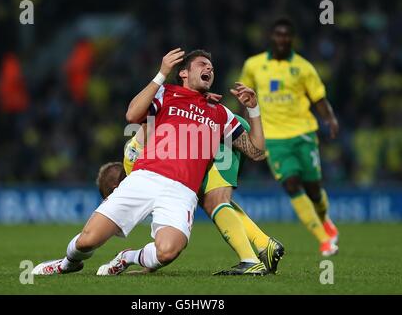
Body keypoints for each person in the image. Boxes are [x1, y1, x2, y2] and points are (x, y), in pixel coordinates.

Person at [32, 48, 267, 276]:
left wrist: (253, 109)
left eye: (211, 67)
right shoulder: (166, 94)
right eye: (202, 64)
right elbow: (132, 115)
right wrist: (161, 73)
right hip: (145, 178)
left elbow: (256, 152)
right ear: (183, 72)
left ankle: (127, 257)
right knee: (87, 241)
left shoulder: (220, 112)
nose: (209, 68)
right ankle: (66, 264)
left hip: (182, 191)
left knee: (167, 252)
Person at [119, 113, 285, 276]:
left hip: (217, 131)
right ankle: (265, 244)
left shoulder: (135, 168)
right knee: (212, 199)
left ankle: (250, 260)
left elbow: (169, 231)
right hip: (219, 127)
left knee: (214, 201)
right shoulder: (139, 167)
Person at [239, 18, 339, 256]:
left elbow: (318, 99)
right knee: (291, 183)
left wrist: (331, 118)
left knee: (314, 189)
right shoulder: (253, 65)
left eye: (286, 35)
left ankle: (325, 220)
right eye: (278, 34)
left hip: (303, 133)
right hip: (273, 137)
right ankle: (323, 239)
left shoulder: (304, 68)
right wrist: (246, 127)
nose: (282, 39)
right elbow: (244, 97)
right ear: (271, 37)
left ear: (292, 39)